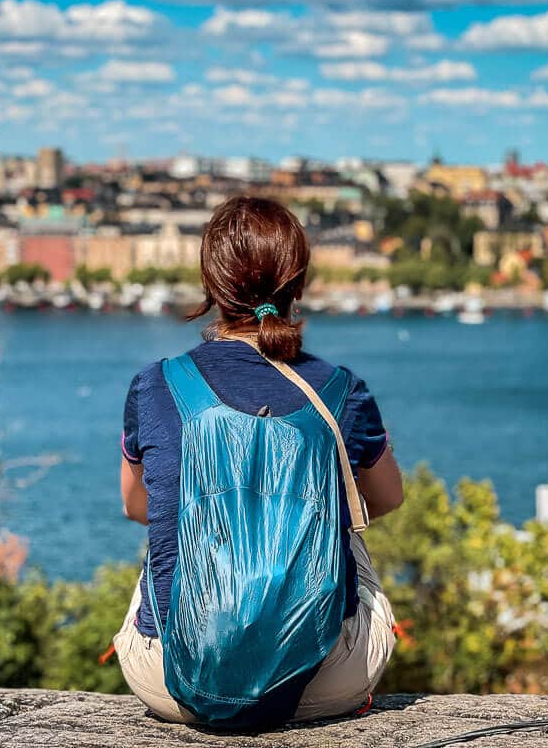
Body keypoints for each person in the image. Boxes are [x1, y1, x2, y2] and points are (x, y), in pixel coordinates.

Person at [114, 196, 404, 726]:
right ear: (299, 284)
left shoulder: (155, 384)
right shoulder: (342, 389)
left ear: (211, 283)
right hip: (322, 683)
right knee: (347, 523)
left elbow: (136, 507)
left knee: (165, 527)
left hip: (169, 681)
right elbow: (388, 499)